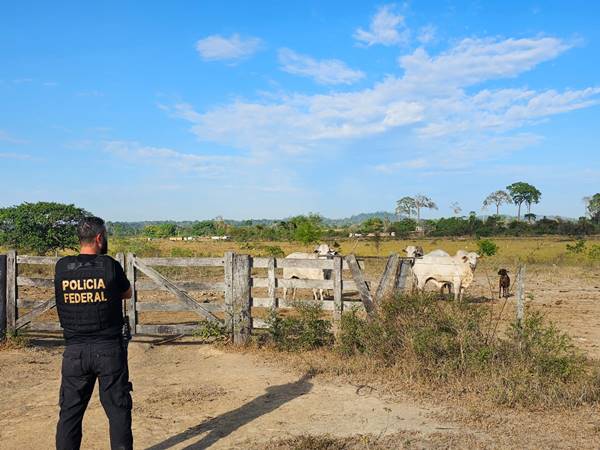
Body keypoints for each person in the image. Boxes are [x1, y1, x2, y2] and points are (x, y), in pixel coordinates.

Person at [54, 216, 133, 450]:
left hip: (74, 352)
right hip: (108, 350)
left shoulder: (62, 267)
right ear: (99, 238)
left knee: (70, 413)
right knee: (118, 411)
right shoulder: (109, 265)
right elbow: (126, 293)